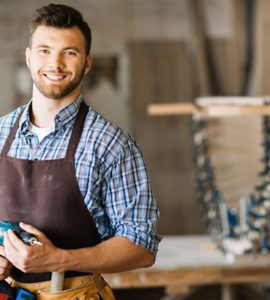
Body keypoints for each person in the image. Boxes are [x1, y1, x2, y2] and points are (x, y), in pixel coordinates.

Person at [0, 3, 161, 299]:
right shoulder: (0, 134)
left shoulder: (111, 144)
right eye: (45, 50)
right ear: (28, 56)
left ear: (87, 63)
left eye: (69, 52)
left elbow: (141, 246)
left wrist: (60, 259)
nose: (55, 63)